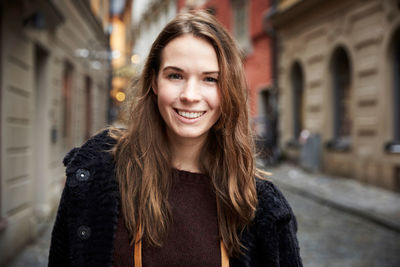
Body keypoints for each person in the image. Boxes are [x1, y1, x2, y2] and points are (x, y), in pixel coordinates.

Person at [48, 10, 302, 267]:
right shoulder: (95, 173)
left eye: (210, 79)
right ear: (155, 82)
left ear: (228, 90)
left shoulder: (261, 205)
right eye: (175, 75)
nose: (190, 95)